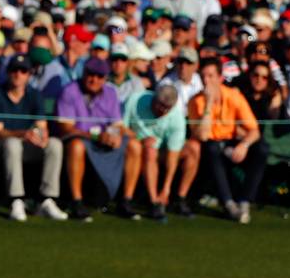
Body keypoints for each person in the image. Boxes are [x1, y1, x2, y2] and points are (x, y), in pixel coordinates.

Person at [181, 57, 267, 223]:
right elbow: (203, 135)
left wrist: (244, 144)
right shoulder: (196, 101)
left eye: (211, 76)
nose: (207, 80)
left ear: (220, 78)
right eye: (204, 76)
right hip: (208, 147)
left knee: (262, 148)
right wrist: (208, 105)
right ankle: (228, 203)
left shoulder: (233, 96)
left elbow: (254, 129)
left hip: (231, 141)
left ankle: (244, 201)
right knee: (212, 149)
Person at [0, 53, 68, 221]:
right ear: (8, 72)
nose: (18, 74)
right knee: (12, 144)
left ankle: (47, 199)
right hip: (2, 146)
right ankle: (16, 200)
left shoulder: (35, 94)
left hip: (28, 145)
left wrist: (41, 136)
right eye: (15, 70)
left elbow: (41, 125)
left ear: (29, 75)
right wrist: (23, 134)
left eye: (23, 71)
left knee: (54, 144)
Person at [55, 58, 127, 221]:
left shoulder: (110, 93)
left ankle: (126, 201)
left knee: (134, 145)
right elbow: (66, 128)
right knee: (76, 146)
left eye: (99, 76)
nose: (94, 80)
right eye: (90, 75)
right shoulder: (70, 91)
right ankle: (76, 201)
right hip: (80, 139)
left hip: (102, 140)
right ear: (84, 73)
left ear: (105, 79)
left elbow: (117, 124)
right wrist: (97, 136)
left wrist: (114, 135)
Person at [121, 85, 186, 221]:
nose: (162, 111)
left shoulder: (177, 118)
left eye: (167, 109)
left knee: (154, 152)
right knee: (148, 151)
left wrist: (166, 188)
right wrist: (139, 138)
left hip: (160, 151)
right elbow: (121, 127)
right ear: (154, 99)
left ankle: (164, 198)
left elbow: (173, 156)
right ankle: (153, 201)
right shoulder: (135, 100)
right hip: (135, 145)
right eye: (159, 106)